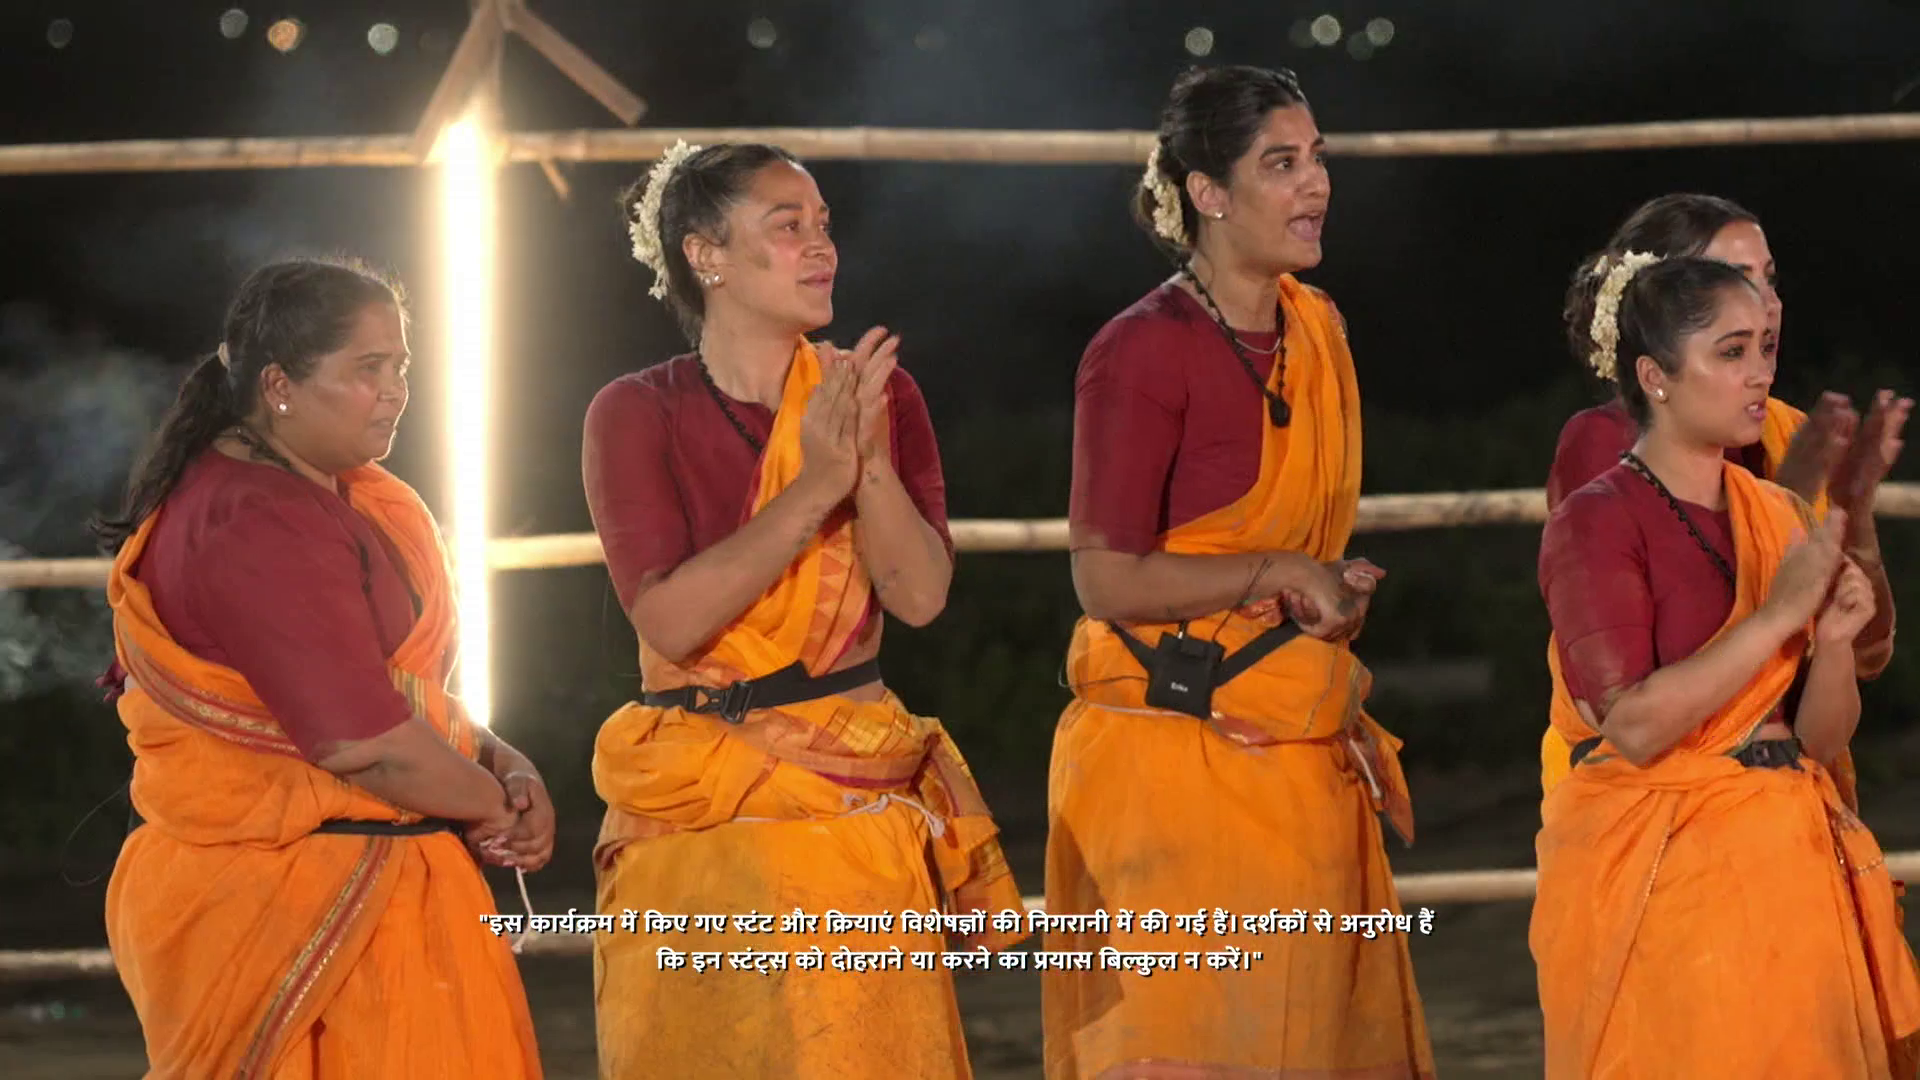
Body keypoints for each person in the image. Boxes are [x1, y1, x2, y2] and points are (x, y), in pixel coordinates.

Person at [583, 141, 1025, 1080]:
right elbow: (670, 622)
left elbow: (920, 596)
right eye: (788, 227)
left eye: (824, 225)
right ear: (706, 254)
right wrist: (817, 484)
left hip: (850, 813)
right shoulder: (635, 411)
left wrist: (867, 462)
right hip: (698, 820)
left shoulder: (876, 395)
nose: (821, 246)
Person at [1042, 66, 1434, 1080]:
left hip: (1301, 761)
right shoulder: (1138, 351)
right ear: (1208, 192)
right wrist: (1281, 567)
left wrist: (1321, 592)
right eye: (1282, 164)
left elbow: (1269, 555)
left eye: (1318, 160)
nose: (1317, 185)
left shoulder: (1318, 329)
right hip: (1170, 773)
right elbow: (1106, 582)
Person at [93, 257, 550, 1078]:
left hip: (360, 893)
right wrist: (495, 807)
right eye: (368, 369)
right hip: (291, 913)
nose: (396, 391)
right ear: (279, 385)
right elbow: (361, 743)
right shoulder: (253, 518)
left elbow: (399, 695)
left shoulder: (342, 494)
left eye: (401, 366)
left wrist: (500, 760)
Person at [1531, 251, 1920, 1076]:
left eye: (1765, 349)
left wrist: (1836, 642)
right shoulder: (1596, 520)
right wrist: (1776, 615)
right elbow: (1634, 726)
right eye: (1731, 352)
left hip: (1792, 869)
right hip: (1673, 889)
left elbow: (1817, 742)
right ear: (1656, 377)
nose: (1759, 375)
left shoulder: (1777, 512)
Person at [1539, 193, 1909, 798]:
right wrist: (1791, 506)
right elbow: (1630, 704)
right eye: (1734, 277)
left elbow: (1866, 657)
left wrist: (1853, 511)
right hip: (1656, 804)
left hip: (1789, 800)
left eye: (1770, 279)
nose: (1766, 304)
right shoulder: (1605, 452)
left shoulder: (1787, 431)